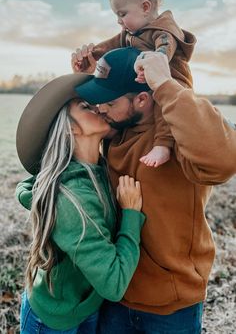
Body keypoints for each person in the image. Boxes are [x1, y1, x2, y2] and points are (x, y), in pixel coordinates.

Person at [74, 47, 236, 334]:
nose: (101, 109)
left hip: (171, 306)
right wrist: (89, 75)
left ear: (141, 99)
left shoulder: (178, 138)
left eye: (108, 102)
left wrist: (165, 84)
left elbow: (225, 160)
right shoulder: (115, 128)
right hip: (116, 294)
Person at [15, 73, 146, 333]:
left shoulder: (98, 171)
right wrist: (131, 214)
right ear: (71, 128)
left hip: (86, 307)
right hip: (52, 319)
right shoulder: (71, 200)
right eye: (86, 107)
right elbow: (114, 283)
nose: (98, 107)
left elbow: (32, 186)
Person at [71, 0, 196, 168]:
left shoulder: (162, 31)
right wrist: (92, 53)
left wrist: (158, 60)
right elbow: (111, 44)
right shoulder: (131, 32)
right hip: (148, 77)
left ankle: (163, 145)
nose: (119, 21)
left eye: (122, 14)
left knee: (165, 106)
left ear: (145, 7)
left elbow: (165, 48)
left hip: (172, 78)